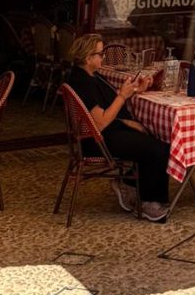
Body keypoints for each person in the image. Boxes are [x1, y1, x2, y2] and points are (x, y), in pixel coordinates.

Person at [66, 34, 172, 222]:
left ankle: (128, 184)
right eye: (100, 54)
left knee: (154, 140)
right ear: (87, 58)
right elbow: (100, 122)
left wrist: (136, 90)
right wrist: (122, 100)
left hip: (106, 133)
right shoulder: (82, 82)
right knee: (158, 149)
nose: (103, 58)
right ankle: (148, 202)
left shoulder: (91, 75)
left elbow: (109, 101)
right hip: (96, 140)